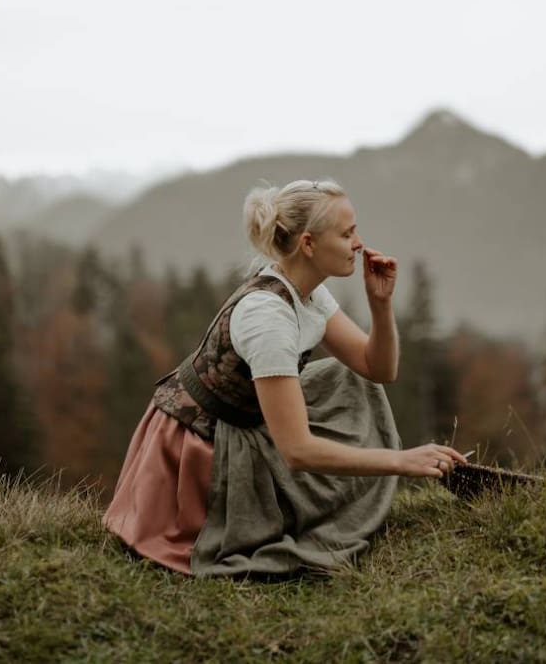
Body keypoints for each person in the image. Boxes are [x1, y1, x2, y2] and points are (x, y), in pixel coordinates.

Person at [103, 178, 468, 578]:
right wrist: (400, 461)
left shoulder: (306, 289)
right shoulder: (267, 318)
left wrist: (380, 305)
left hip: (247, 415)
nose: (359, 243)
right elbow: (297, 451)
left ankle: (327, 502)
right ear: (309, 244)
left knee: (351, 380)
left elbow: (377, 369)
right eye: (347, 234)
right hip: (200, 447)